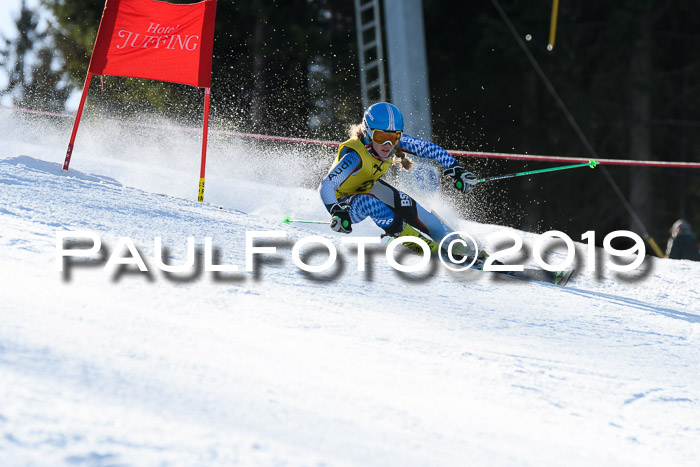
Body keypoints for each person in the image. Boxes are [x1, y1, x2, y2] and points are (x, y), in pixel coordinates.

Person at [318, 102, 478, 254]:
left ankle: (453, 242)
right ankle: (418, 245)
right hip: (343, 206)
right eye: (381, 137)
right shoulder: (354, 157)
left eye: (394, 138)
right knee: (369, 203)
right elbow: (326, 186)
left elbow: (428, 148)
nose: (388, 144)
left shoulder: (390, 142)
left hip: (366, 187)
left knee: (404, 202)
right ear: (368, 133)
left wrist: (456, 169)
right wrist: (336, 210)